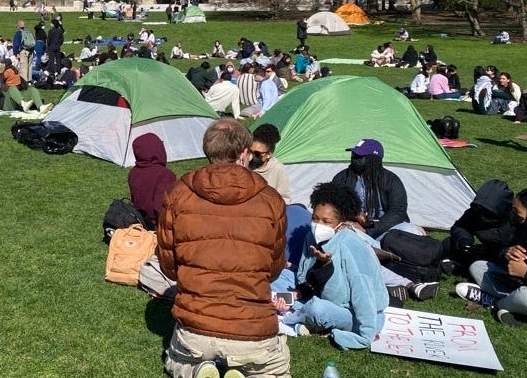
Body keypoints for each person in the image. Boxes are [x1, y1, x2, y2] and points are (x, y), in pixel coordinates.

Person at [157, 118, 289, 378]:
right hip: (253, 330)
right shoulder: (271, 200)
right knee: (274, 369)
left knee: (177, 361)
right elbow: (273, 268)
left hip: (197, 329)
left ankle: (198, 371)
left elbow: (169, 266)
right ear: (244, 152)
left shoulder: (178, 194)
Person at [281, 182, 388, 348]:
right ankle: (293, 311)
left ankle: (294, 320)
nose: (318, 225)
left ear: (342, 225)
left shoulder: (351, 246)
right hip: (317, 295)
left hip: (352, 311)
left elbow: (363, 295)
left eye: (326, 221)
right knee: (279, 277)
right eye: (315, 218)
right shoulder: (311, 237)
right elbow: (305, 279)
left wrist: (364, 336)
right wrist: (297, 293)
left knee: (317, 309)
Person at [456, 189, 527, 325]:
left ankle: (496, 302)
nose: (512, 215)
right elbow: (499, 250)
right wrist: (507, 253)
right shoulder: (525, 227)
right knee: (479, 267)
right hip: (525, 283)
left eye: (517, 213)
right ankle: (511, 304)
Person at [329, 139, 410, 239]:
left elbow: (398, 212)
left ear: (373, 160)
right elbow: (332, 205)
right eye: (354, 155)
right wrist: (355, 215)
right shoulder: (342, 178)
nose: (354, 158)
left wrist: (370, 229)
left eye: (359, 156)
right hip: (354, 226)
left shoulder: (391, 180)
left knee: (409, 230)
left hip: (384, 228)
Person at [443, 180, 515, 275]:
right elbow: (460, 227)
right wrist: (464, 241)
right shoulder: (474, 212)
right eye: (479, 209)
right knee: (449, 243)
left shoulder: (513, 220)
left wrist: (494, 251)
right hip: (482, 251)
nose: (482, 215)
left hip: (503, 256)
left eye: (487, 212)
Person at [128, 133, 176, 229]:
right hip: (157, 225)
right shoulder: (164, 174)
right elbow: (161, 206)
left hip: (139, 220)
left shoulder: (133, 172)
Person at [250, 124, 290, 203]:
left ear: (269, 154)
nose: (252, 156)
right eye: (250, 151)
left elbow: (284, 198)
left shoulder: (278, 169)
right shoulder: (243, 164)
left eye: (258, 153)